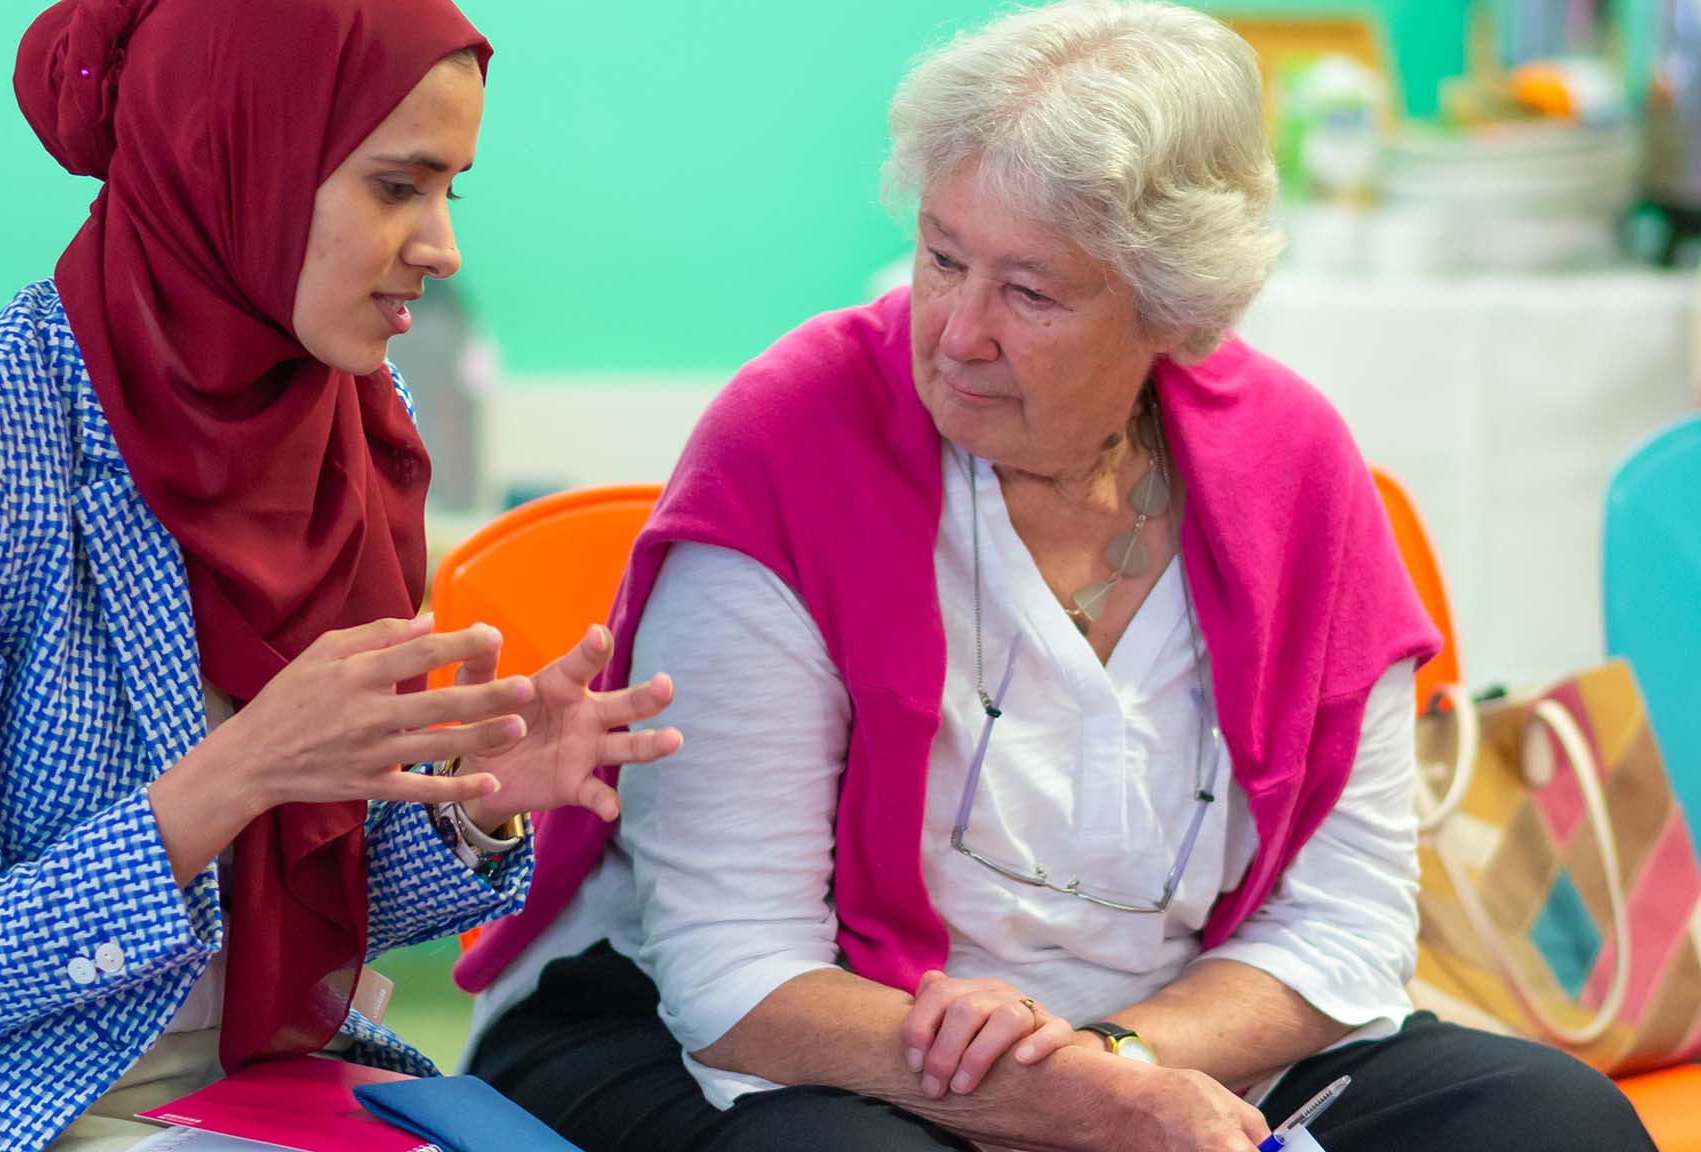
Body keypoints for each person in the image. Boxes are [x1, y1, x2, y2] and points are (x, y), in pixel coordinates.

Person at [455, 3, 1658, 1151]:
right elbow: (736, 975)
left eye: (1030, 292)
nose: (957, 330)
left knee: (1549, 1125)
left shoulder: (1292, 471)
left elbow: (1344, 930)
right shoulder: (788, 449)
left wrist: (1117, 1062)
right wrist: (1066, 1100)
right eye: (940, 258)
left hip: (1162, 1038)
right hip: (792, 1043)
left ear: (1169, 311)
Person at [0, 1, 681, 1148]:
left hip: (246, 1087)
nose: (444, 246)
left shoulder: (353, 428)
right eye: (397, 187)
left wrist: (474, 800)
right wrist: (236, 774)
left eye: (453, 189)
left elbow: (299, 905)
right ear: (236, 162)